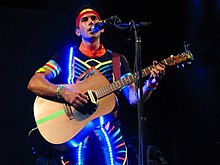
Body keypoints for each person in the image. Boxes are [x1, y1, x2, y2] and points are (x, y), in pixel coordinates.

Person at [27, 5, 166, 165]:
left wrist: (151, 84)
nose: (91, 22)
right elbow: (34, 82)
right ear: (78, 31)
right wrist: (64, 92)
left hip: (109, 130)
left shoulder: (117, 60)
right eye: (85, 20)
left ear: (103, 28)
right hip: (75, 132)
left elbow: (134, 98)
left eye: (94, 18)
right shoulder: (67, 55)